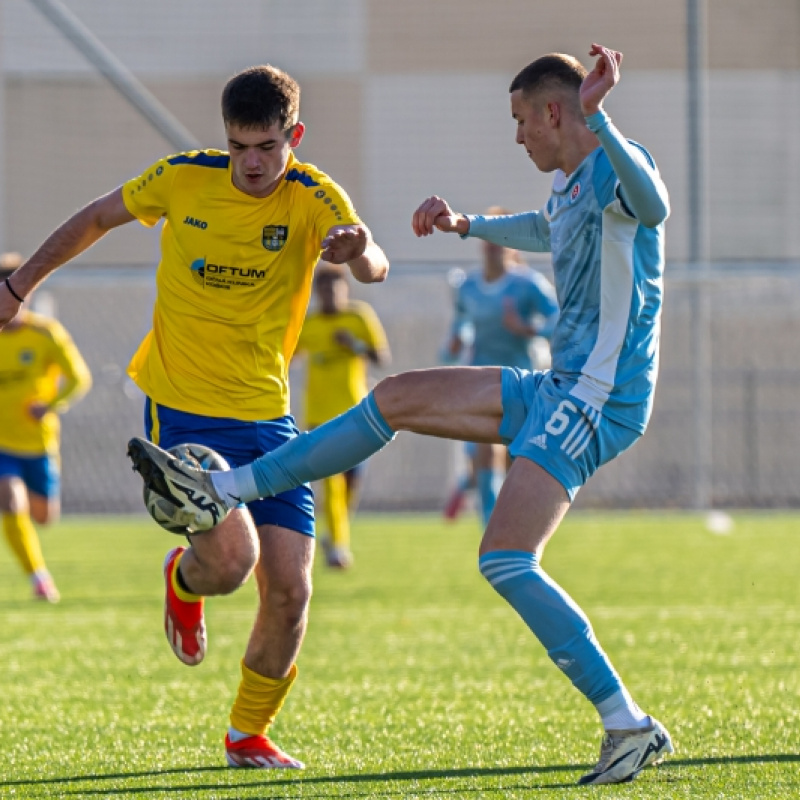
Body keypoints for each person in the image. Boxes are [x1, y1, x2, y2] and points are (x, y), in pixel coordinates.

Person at [128, 44, 673, 784]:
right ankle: (229, 490)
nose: (518, 137)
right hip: (561, 386)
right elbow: (547, 231)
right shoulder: (574, 183)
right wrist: (467, 225)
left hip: (600, 397)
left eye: (521, 121)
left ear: (555, 111)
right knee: (397, 398)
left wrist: (602, 120)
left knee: (506, 558)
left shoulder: (613, 159)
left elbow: (655, 206)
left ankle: (627, 724)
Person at [0, 65, 389, 769]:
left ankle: (247, 734)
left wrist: (359, 250)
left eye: (265, 147)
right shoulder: (182, 176)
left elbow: (374, 265)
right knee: (233, 563)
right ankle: (187, 580)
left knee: (293, 591)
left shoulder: (314, 195)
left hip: (269, 417)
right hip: (181, 406)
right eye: (238, 147)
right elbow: (95, 216)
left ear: (292, 137)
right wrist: (19, 285)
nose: (250, 163)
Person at [441, 209, 558, 526]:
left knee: (514, 463)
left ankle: (505, 521)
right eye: (489, 239)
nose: (493, 246)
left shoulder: (528, 284)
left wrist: (527, 329)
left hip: (522, 381)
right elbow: (460, 329)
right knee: (485, 453)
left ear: (512, 246)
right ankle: (491, 532)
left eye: (500, 239)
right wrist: (453, 345)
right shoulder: (468, 287)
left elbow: (559, 321)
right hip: (480, 380)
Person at [0, 252, 92, 603]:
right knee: (10, 500)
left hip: (38, 443)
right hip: (2, 444)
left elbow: (79, 378)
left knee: (43, 517)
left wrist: (50, 406)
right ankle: (39, 578)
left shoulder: (45, 333)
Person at [294, 262, 390, 568]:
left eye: (335, 289)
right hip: (320, 416)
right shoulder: (308, 325)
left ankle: (336, 531)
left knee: (351, 485)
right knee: (331, 483)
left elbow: (381, 358)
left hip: (356, 414)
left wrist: (354, 345)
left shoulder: (358, 317)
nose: (329, 296)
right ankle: (338, 548)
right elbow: (285, 357)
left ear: (345, 290)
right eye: (323, 291)